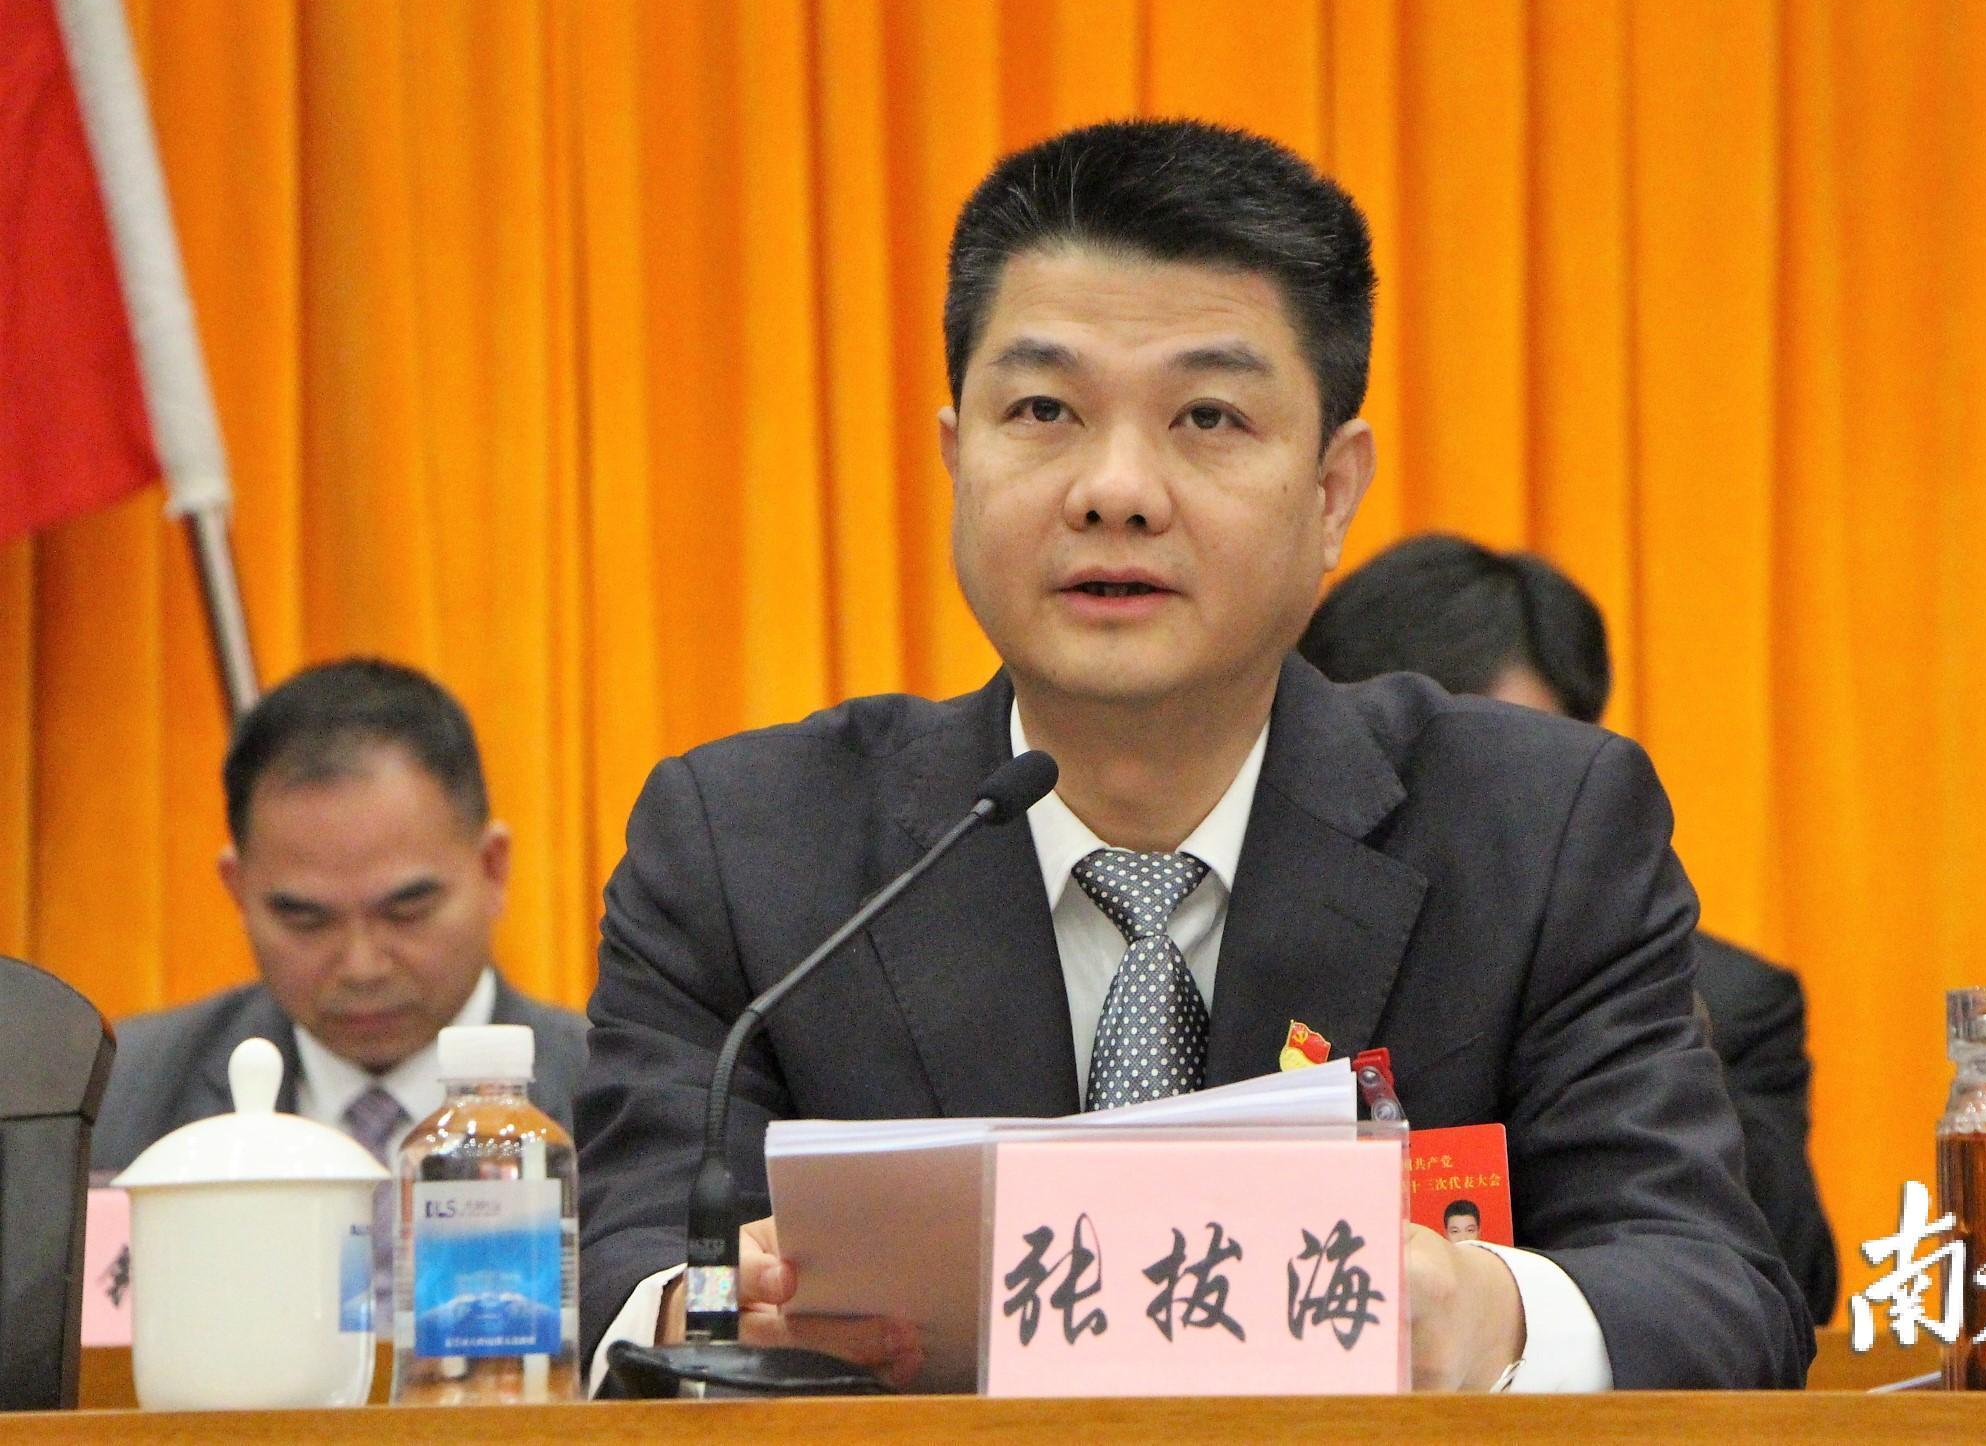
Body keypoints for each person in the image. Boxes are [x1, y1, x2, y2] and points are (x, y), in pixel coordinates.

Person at [577, 119, 1812, 1392]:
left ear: (1332, 491)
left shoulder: (1539, 830)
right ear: (955, 459)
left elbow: (1714, 1291)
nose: (1116, 489)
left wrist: (1486, 1313)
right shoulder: (745, 848)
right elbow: (623, 1274)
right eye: (1044, 410)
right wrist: (709, 1317)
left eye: (1208, 416)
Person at [1297, 532, 1840, 1325]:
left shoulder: (1727, 999)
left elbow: (1783, 1292)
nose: (1449, 799)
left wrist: (1650, 1011)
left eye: (1492, 756)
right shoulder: (1238, 928)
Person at [91, 658, 587, 1202]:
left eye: (407, 910)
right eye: (306, 919)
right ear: (238, 890)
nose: (362, 967)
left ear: (492, 869)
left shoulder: (616, 1097)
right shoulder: (112, 1098)